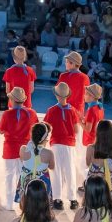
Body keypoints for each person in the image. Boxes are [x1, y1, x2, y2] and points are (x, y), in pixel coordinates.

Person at [0, 87, 38, 210]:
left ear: (11, 100)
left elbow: (1, 130)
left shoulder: (7, 114)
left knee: (9, 176)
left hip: (10, 148)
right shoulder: (32, 113)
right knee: (25, 176)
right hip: (26, 149)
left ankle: (9, 204)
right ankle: (25, 203)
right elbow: (36, 128)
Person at [45, 82, 80, 210]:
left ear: (56, 95)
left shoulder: (51, 110)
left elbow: (46, 127)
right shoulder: (73, 110)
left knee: (56, 171)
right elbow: (76, 130)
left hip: (55, 144)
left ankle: (58, 199)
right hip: (69, 145)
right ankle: (73, 199)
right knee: (70, 170)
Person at [85, 119, 112, 207]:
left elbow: (87, 163)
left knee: (92, 204)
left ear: (98, 132)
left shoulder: (91, 148)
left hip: (94, 181)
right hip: (109, 181)